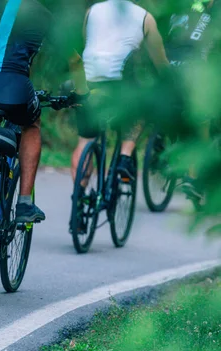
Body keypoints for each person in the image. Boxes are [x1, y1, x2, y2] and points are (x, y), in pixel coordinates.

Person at [0, 0, 90, 274]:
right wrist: (80, 93)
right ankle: (23, 203)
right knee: (31, 125)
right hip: (15, 90)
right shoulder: (43, 15)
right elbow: (72, 59)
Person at [71, 0, 170, 188]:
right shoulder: (145, 17)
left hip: (87, 82)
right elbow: (160, 62)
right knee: (142, 107)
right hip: (118, 85)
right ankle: (125, 155)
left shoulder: (92, 11)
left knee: (85, 140)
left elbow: (87, 44)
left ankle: (79, 202)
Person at [157, 0, 221, 202]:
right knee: (202, 124)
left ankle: (161, 140)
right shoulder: (213, 10)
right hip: (196, 72)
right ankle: (193, 178)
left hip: (169, 65)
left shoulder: (178, 7)